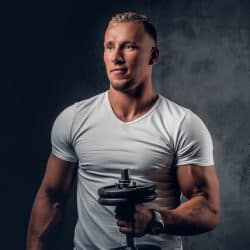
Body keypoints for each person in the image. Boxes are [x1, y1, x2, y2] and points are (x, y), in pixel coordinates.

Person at [27, 11, 220, 250]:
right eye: (110, 47)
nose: (116, 57)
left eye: (129, 46)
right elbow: (52, 197)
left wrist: (155, 220)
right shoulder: (74, 119)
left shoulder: (182, 124)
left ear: (154, 55)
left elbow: (208, 206)